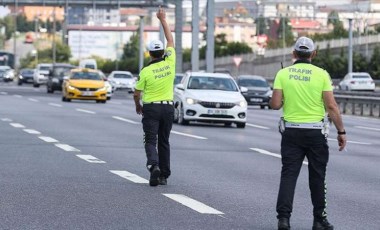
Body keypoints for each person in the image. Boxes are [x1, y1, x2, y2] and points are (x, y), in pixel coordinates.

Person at [270, 36, 347, 230]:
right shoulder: (322, 74)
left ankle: (284, 219)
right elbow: (331, 106)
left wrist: (285, 97)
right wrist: (341, 131)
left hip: (291, 133)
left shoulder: (283, 74)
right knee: (318, 176)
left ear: (293, 53)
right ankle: (319, 220)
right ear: (314, 54)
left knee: (288, 175)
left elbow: (275, 104)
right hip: (315, 134)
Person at [133, 6, 175, 187]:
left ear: (149, 54)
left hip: (151, 108)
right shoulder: (170, 62)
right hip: (168, 108)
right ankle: (164, 175)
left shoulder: (146, 71)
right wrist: (162, 19)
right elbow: (170, 39)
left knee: (151, 140)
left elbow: (137, 93)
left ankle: (154, 165)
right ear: (162, 52)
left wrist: (138, 106)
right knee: (164, 141)